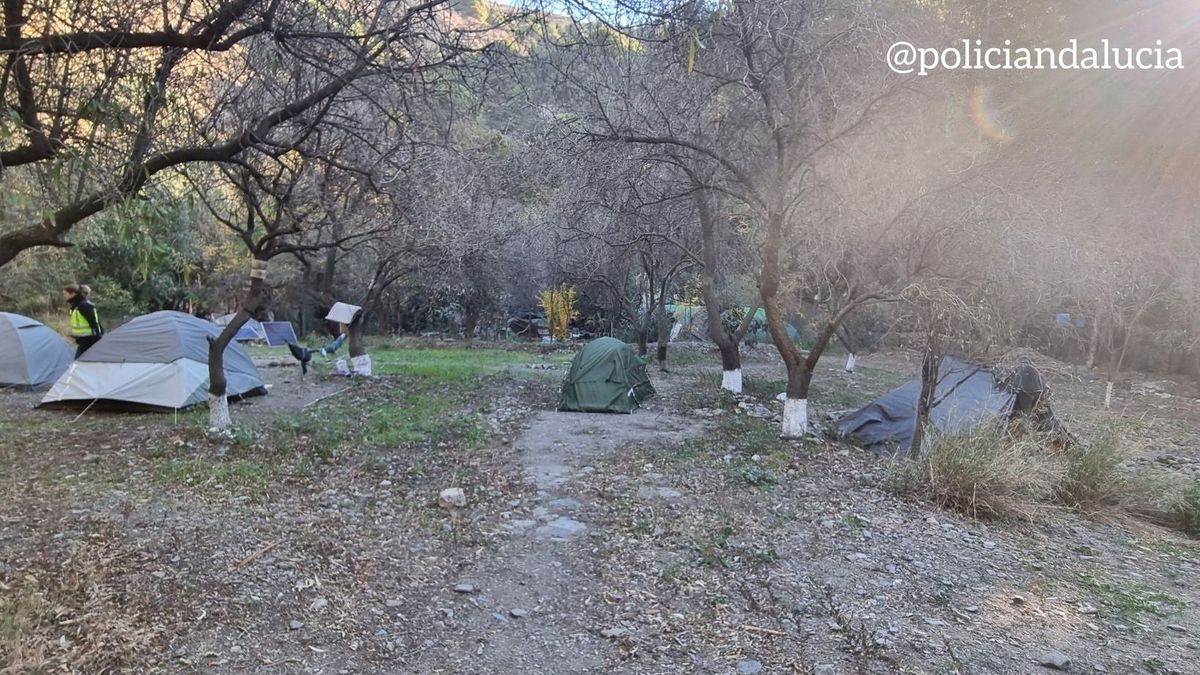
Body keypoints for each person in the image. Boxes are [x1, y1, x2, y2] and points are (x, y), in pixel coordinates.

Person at [62, 283, 103, 357]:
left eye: (65, 294)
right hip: (83, 341)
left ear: (73, 294)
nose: (64, 296)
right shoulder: (75, 306)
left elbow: (95, 323)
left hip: (90, 340)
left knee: (78, 363)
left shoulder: (84, 305)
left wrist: (99, 340)